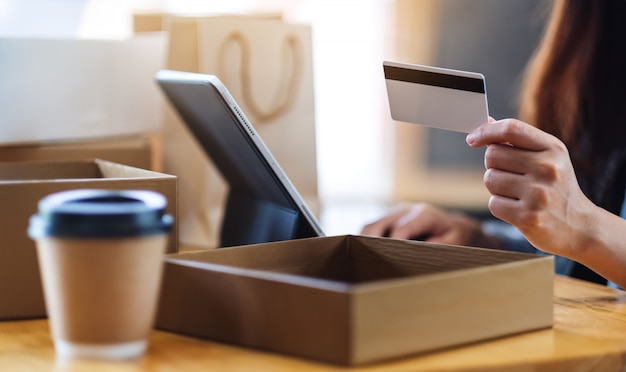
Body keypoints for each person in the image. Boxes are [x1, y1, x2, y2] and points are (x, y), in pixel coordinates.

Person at [361, 0, 626, 288]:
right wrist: (482, 241)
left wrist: (584, 227)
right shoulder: (598, 38)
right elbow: (571, 263)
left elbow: (585, 240)